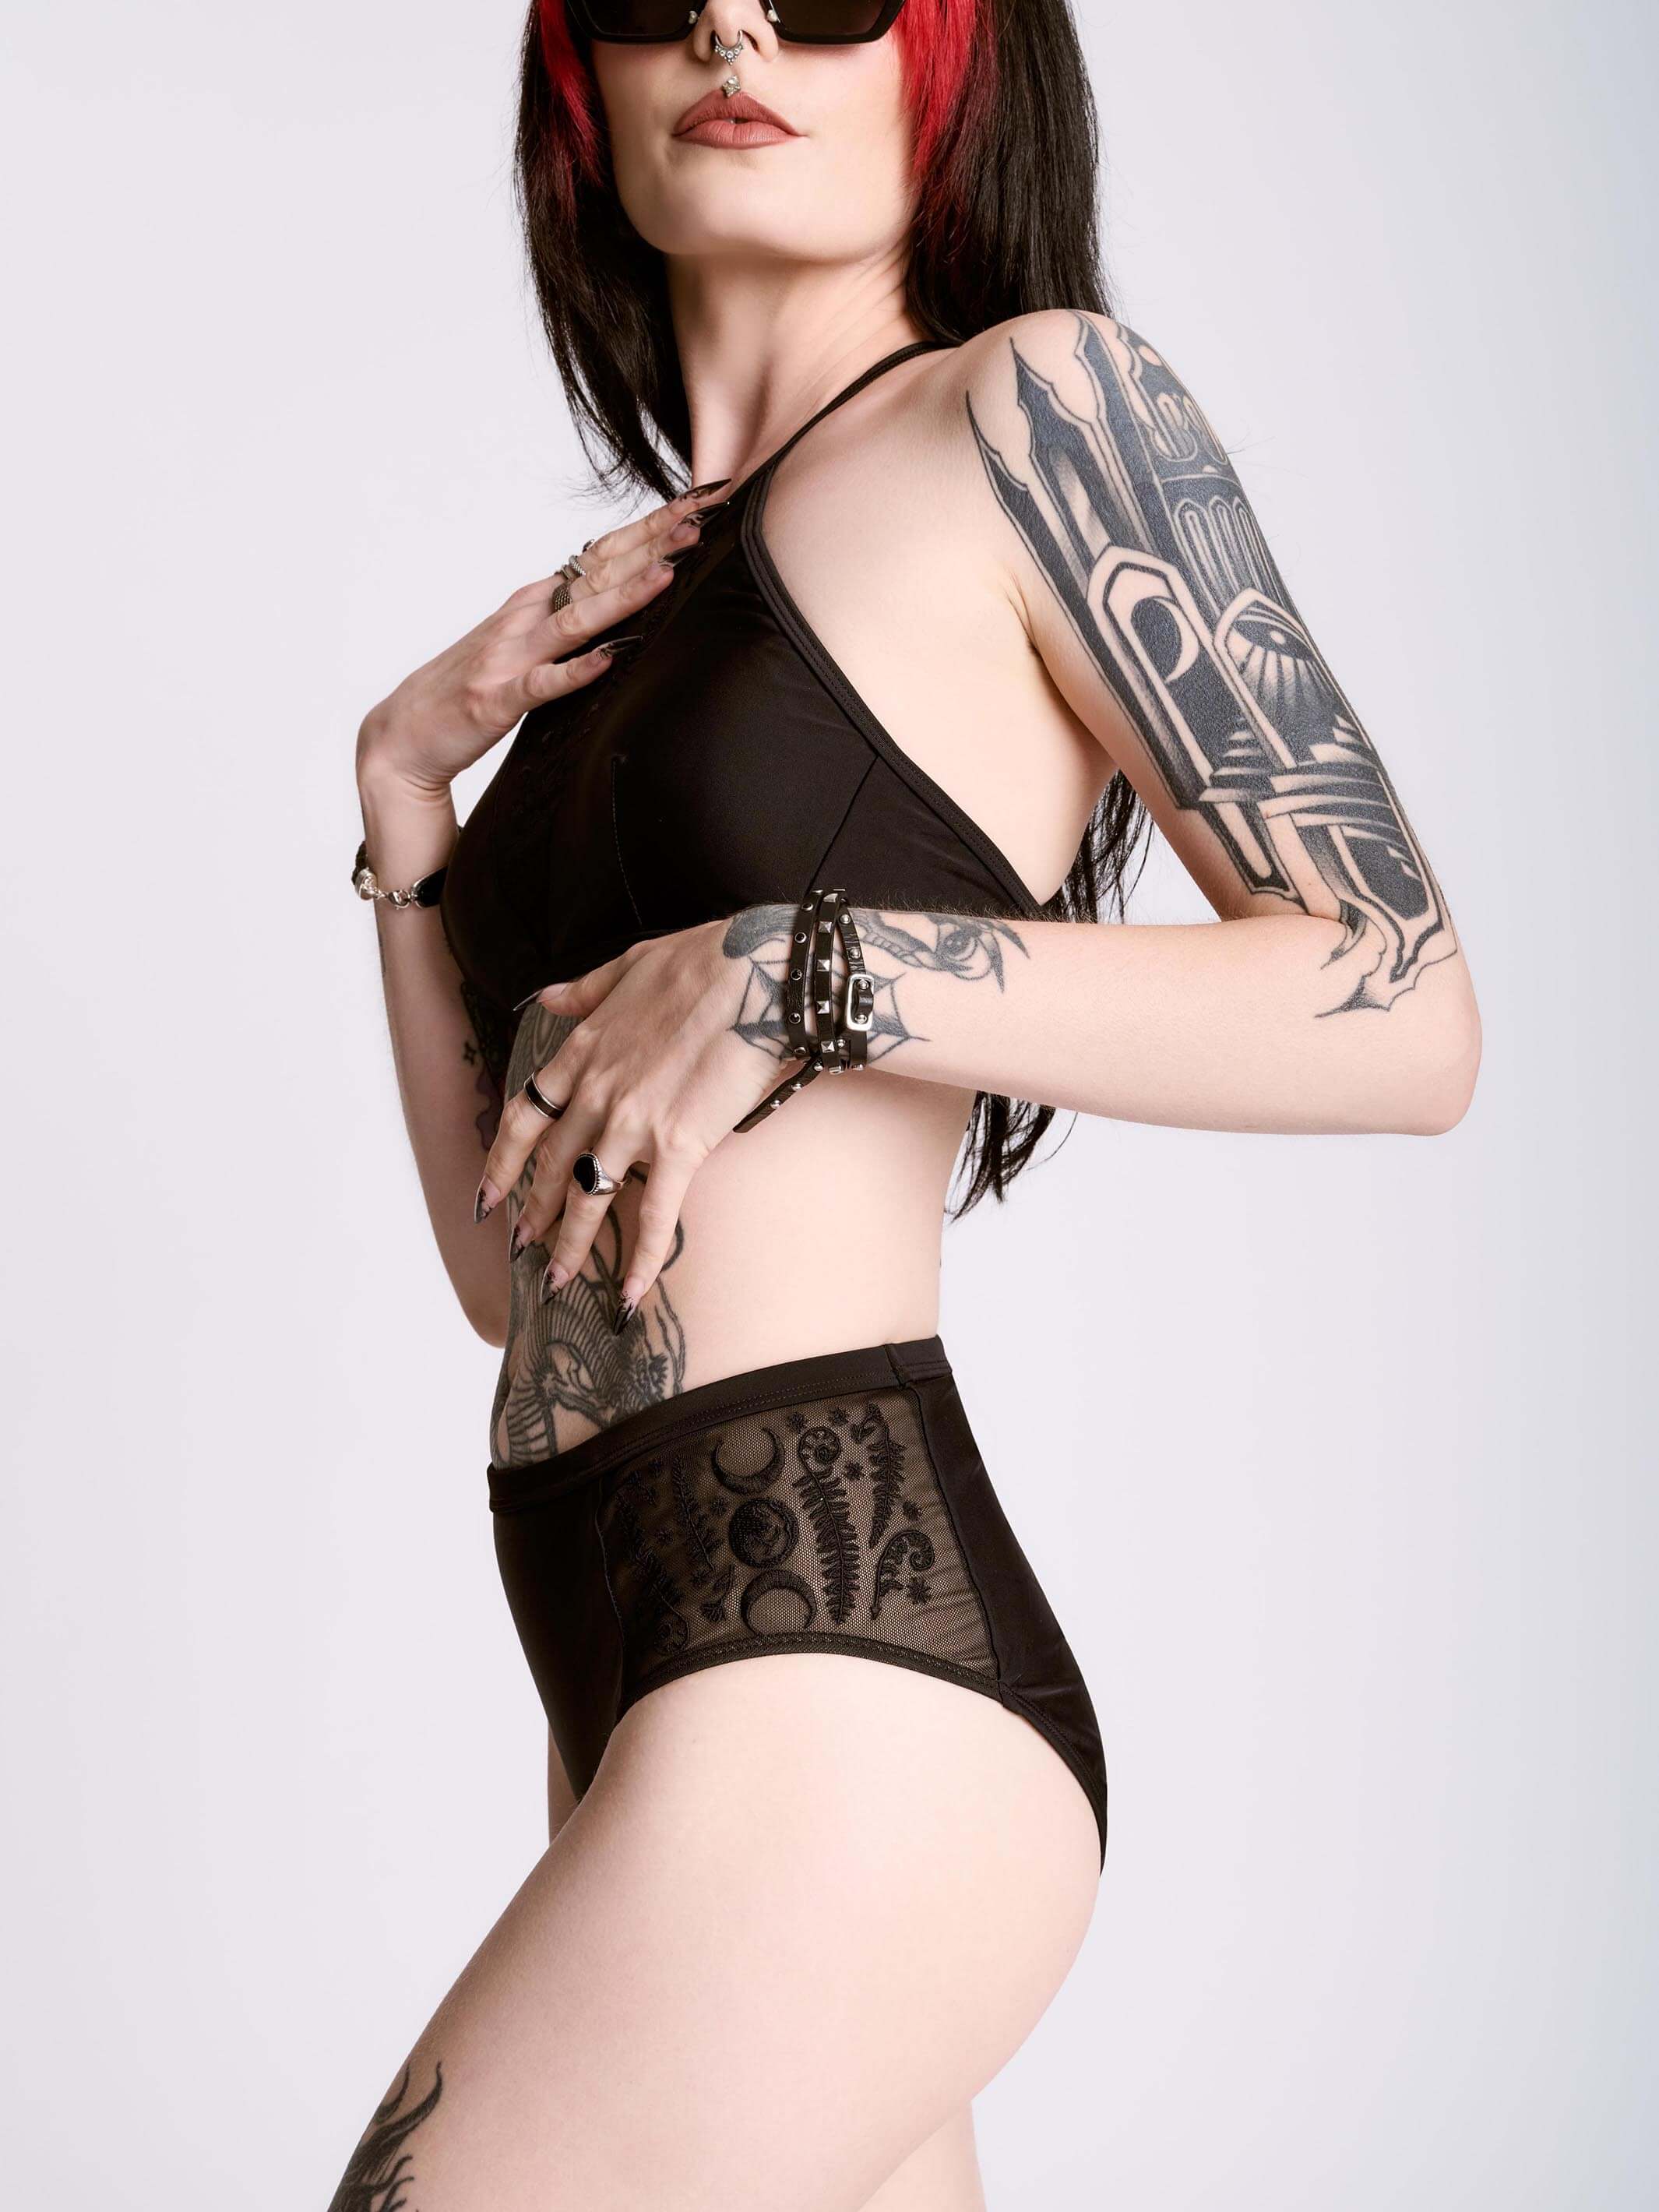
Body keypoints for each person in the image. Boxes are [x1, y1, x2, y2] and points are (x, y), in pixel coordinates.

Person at [339, 2, 1482, 2205]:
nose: (736, 25)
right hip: (623, 1674)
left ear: (955, 59)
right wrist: (402, 801)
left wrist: (808, 970)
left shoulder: (1036, 410)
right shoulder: (628, 606)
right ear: (580, 90)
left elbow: (1404, 1006)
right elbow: (514, 1274)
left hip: (836, 1674)